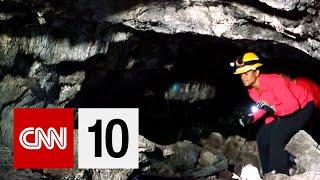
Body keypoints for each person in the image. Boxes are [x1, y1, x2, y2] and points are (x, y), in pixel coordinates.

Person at [233, 52, 314, 175]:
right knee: (262, 136)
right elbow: (265, 106)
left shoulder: (274, 81)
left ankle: (279, 175)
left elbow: (292, 105)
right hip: (282, 108)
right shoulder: (251, 90)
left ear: (257, 72)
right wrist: (252, 117)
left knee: (277, 133)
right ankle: (268, 173)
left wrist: (273, 110)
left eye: (246, 73)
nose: (243, 77)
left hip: (303, 106)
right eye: (240, 74)